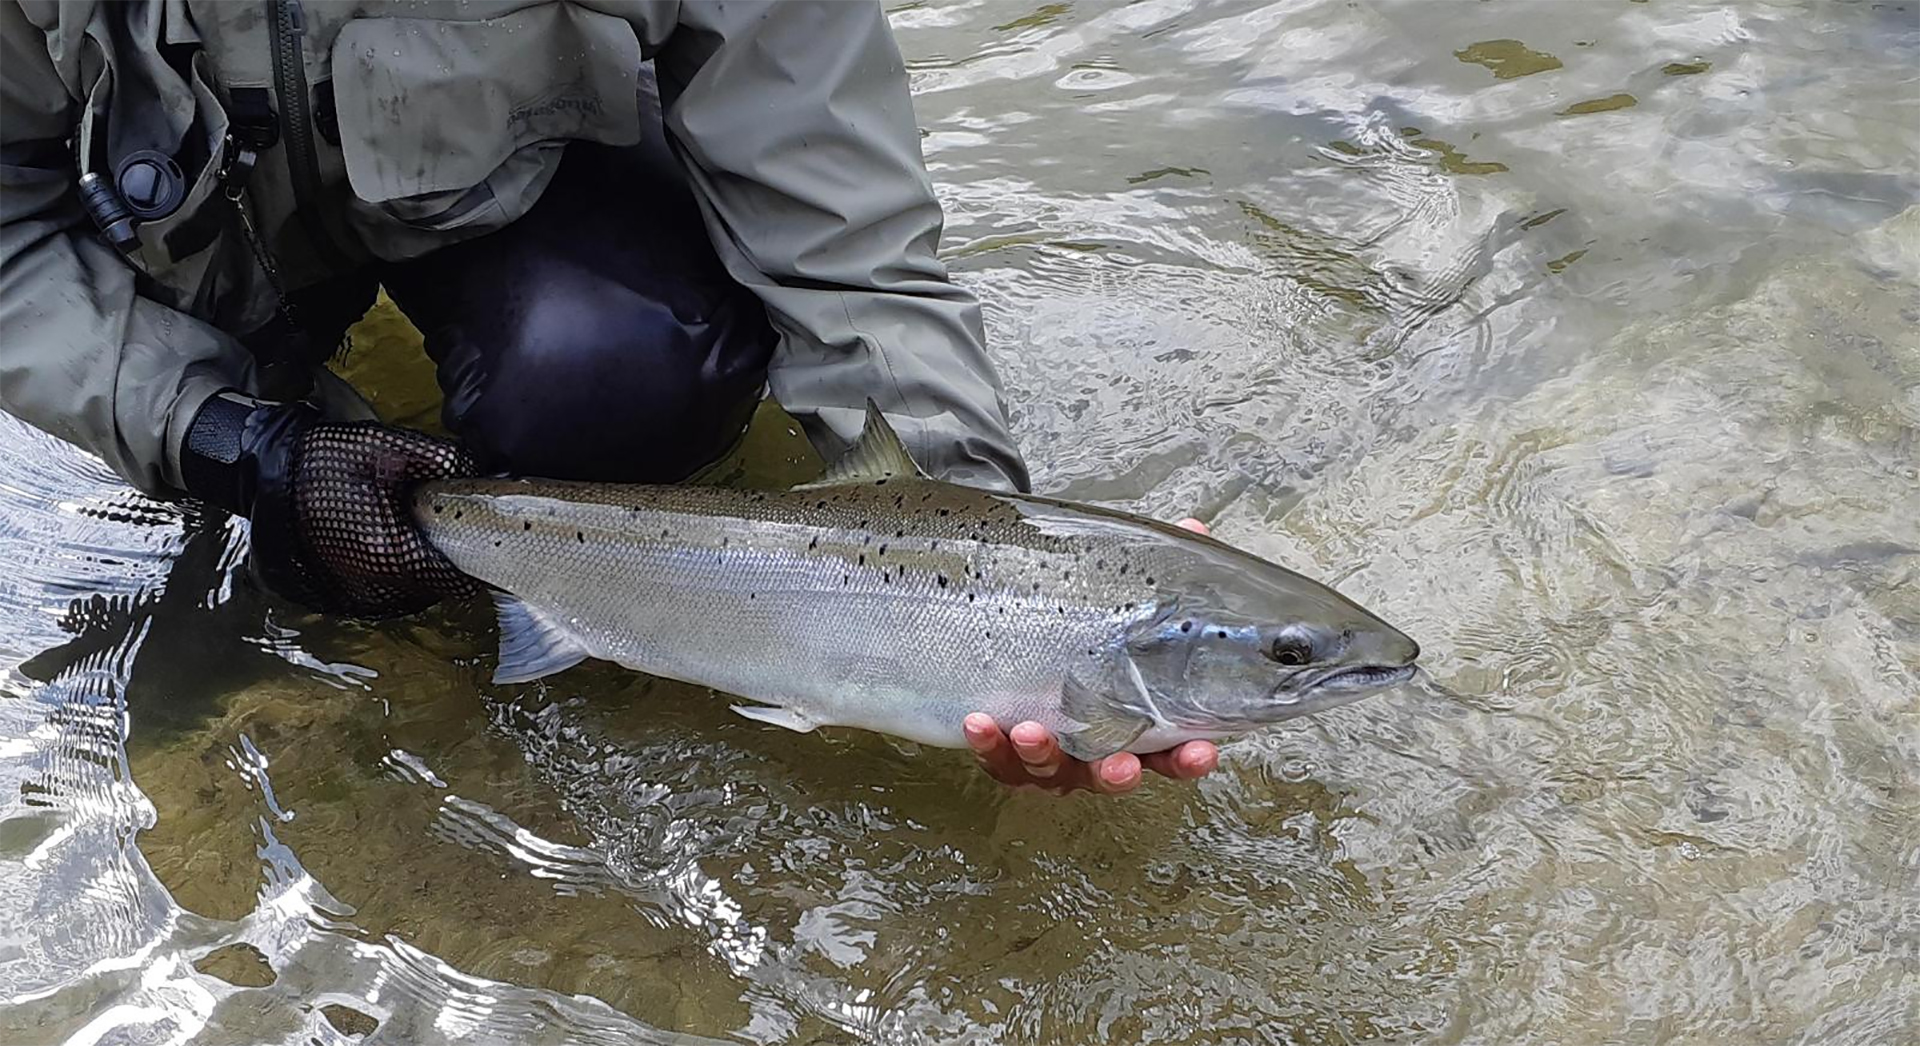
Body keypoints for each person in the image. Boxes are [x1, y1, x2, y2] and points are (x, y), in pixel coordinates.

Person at [0, 0, 1218, 794]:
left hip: (506, 196)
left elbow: (850, 241)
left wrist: (993, 551)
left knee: (618, 370)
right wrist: (226, 438)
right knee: (282, 591)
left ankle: (555, 577)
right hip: (190, 257)